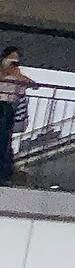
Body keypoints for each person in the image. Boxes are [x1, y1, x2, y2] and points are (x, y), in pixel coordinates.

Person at [0, 47, 28, 186]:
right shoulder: (5, 70)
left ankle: (4, 173)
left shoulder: (15, 71)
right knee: (3, 138)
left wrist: (17, 77)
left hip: (8, 106)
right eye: (12, 56)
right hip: (3, 104)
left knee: (5, 138)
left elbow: (31, 84)